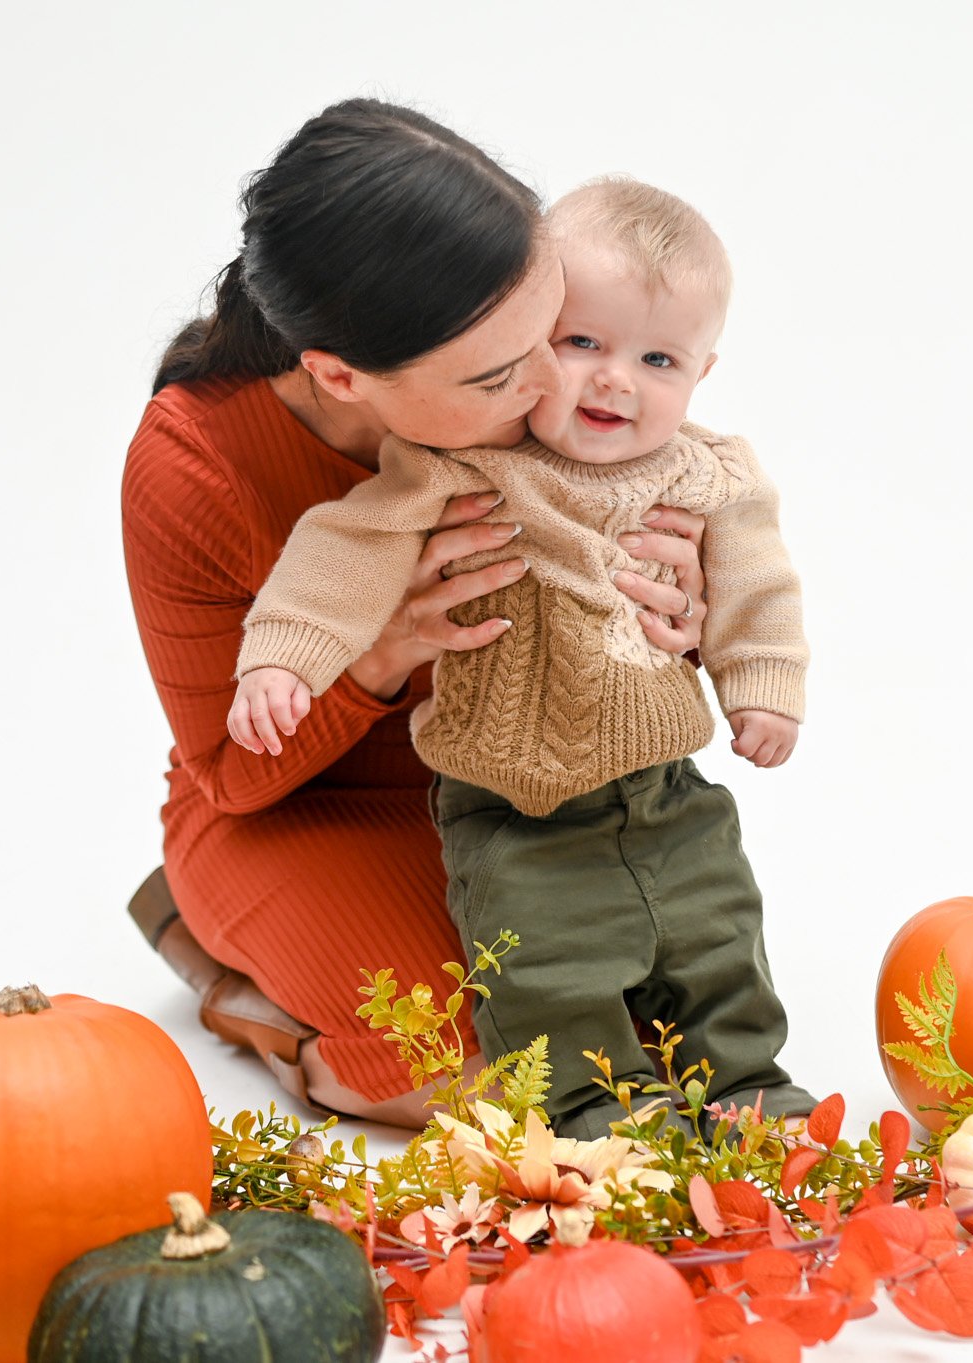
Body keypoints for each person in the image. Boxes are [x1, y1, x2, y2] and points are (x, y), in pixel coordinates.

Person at [122, 100, 715, 1128]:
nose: (552, 387)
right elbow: (229, 769)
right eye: (496, 374)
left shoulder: (549, 390)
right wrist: (378, 656)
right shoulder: (193, 468)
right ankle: (250, 1000)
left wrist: (686, 614)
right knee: (494, 1081)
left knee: (667, 1033)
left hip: (514, 794)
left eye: (554, 331)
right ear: (339, 375)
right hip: (294, 810)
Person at [229, 176, 818, 1140]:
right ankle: (591, 1107)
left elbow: (760, 583)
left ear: (703, 374)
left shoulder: (713, 472)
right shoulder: (464, 462)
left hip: (665, 781)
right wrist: (286, 655)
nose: (614, 379)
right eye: (582, 342)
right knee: (544, 961)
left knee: (713, 929)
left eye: (656, 357)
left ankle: (745, 1076)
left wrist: (762, 684)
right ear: (532, 338)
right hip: (512, 801)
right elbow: (350, 543)